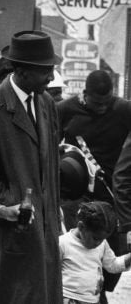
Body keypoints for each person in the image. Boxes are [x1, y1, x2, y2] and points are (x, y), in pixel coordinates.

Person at [0, 31, 63, 304]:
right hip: (10, 229)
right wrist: (15, 205)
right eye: (45, 71)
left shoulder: (46, 102)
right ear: (22, 71)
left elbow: (51, 165)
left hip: (45, 230)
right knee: (6, 295)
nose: (51, 77)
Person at [57, 70, 131, 299]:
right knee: (81, 250)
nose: (102, 108)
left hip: (111, 195)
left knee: (111, 253)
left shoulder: (124, 110)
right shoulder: (65, 110)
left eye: (107, 102)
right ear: (84, 94)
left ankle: (98, 292)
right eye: (97, 103)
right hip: (76, 195)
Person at [59, 201, 131, 304]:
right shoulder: (63, 243)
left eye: (102, 239)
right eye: (95, 238)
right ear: (81, 226)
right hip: (68, 299)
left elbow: (113, 265)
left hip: (93, 300)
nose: (98, 243)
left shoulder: (102, 244)